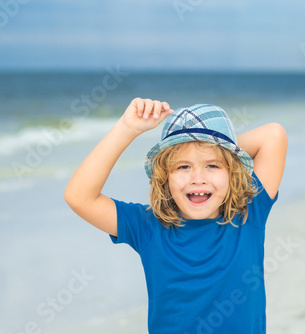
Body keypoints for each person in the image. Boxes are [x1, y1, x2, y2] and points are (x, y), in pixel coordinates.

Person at [64, 98, 288, 333]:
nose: (197, 177)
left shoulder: (248, 212)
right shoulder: (148, 226)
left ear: (232, 172)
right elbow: (79, 197)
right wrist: (126, 129)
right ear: (164, 176)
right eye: (183, 167)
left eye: (212, 166)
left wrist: (217, 149)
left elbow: (273, 135)